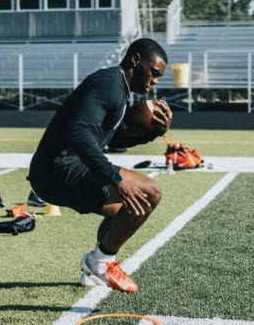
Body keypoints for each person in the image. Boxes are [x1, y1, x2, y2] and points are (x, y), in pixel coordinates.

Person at [28, 38, 173, 293]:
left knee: (128, 213)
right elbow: (79, 133)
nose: (156, 80)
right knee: (150, 193)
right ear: (135, 59)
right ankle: (102, 262)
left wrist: (152, 133)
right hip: (58, 169)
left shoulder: (121, 91)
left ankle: (92, 271)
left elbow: (111, 140)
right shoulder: (109, 84)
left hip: (58, 172)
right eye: (154, 72)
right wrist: (116, 179)